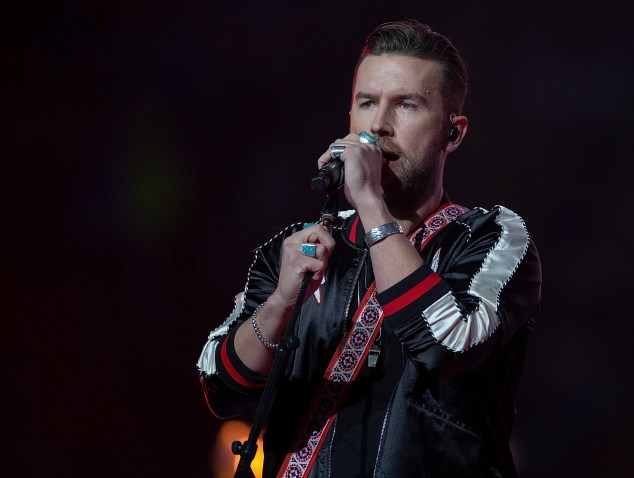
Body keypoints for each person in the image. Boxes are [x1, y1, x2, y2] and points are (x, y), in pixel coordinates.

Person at [197, 19, 542, 478]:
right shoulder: (294, 249)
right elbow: (219, 386)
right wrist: (280, 304)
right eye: (366, 103)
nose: (378, 125)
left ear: (453, 133)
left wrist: (370, 202)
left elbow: (447, 343)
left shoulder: (492, 235)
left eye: (406, 105)